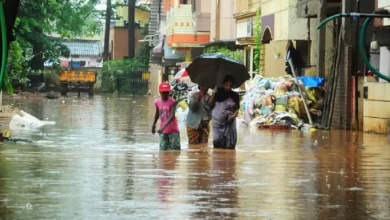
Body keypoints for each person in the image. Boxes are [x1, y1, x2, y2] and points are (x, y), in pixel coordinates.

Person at [208, 75, 240, 149]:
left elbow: (237, 109)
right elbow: (210, 104)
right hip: (217, 123)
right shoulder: (217, 92)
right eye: (227, 85)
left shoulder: (235, 95)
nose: (228, 87)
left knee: (229, 145)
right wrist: (213, 94)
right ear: (224, 84)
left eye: (230, 86)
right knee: (217, 141)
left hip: (230, 123)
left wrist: (233, 116)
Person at [152, 82, 181, 150]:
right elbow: (157, 114)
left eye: (166, 92)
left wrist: (162, 127)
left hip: (173, 131)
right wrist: (153, 125)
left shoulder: (173, 102)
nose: (165, 94)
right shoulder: (157, 102)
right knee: (163, 152)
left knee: (175, 151)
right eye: (163, 92)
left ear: (169, 92)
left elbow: (172, 116)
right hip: (163, 132)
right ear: (159, 92)